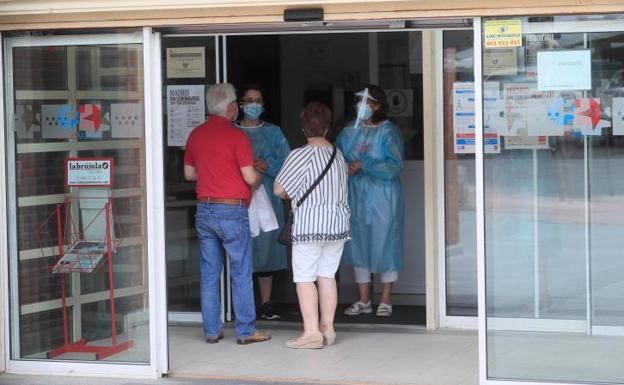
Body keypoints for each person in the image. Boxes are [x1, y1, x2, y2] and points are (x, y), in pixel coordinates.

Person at [184, 83, 271, 345]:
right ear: (232, 107)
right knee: (240, 271)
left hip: (204, 209)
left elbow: (189, 174)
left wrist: (213, 173)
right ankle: (245, 331)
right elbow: (248, 177)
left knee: (209, 273)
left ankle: (212, 330)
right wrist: (259, 173)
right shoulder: (237, 137)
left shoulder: (195, 135)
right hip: (231, 209)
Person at [274, 102, 350, 349]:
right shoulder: (338, 155)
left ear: (303, 127)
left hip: (309, 225)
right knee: (327, 275)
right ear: (327, 127)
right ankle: (328, 328)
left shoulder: (300, 154)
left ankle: (311, 332)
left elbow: (279, 189)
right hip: (337, 226)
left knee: (305, 277)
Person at [336, 84, 404, 317]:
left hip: (383, 196)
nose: (361, 107)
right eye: (359, 101)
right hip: (356, 195)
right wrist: (347, 168)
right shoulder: (348, 132)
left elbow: (395, 165)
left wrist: (366, 165)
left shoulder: (388, 131)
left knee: (386, 243)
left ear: (378, 106)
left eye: (367, 103)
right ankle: (364, 299)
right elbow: (335, 160)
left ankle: (386, 298)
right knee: (359, 245)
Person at [235, 84, 290, 320]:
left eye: (257, 100)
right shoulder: (232, 132)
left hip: (268, 197)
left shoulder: (274, 132)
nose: (253, 104)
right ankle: (242, 304)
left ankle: (266, 303)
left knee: (266, 250)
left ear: (263, 105)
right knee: (242, 249)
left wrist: (268, 165)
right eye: (249, 100)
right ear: (240, 104)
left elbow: (288, 163)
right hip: (239, 197)